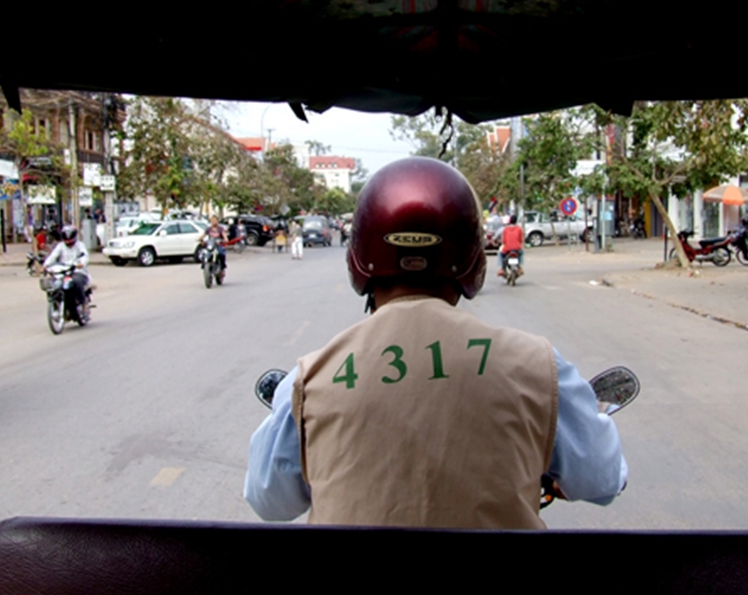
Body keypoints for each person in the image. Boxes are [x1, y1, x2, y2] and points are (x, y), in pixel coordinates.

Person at [244, 158, 627, 529]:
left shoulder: (311, 380)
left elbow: (268, 500)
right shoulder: (539, 367)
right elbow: (603, 479)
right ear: (470, 256)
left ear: (360, 254)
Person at [42, 225, 91, 317]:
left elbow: (85, 256)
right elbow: (52, 257)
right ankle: (57, 305)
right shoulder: (60, 246)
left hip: (77, 271)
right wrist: (45, 265)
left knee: (77, 282)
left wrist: (81, 264)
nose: (68, 243)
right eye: (66, 240)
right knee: (53, 285)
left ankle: (82, 303)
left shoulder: (80, 246)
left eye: (70, 240)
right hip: (63, 271)